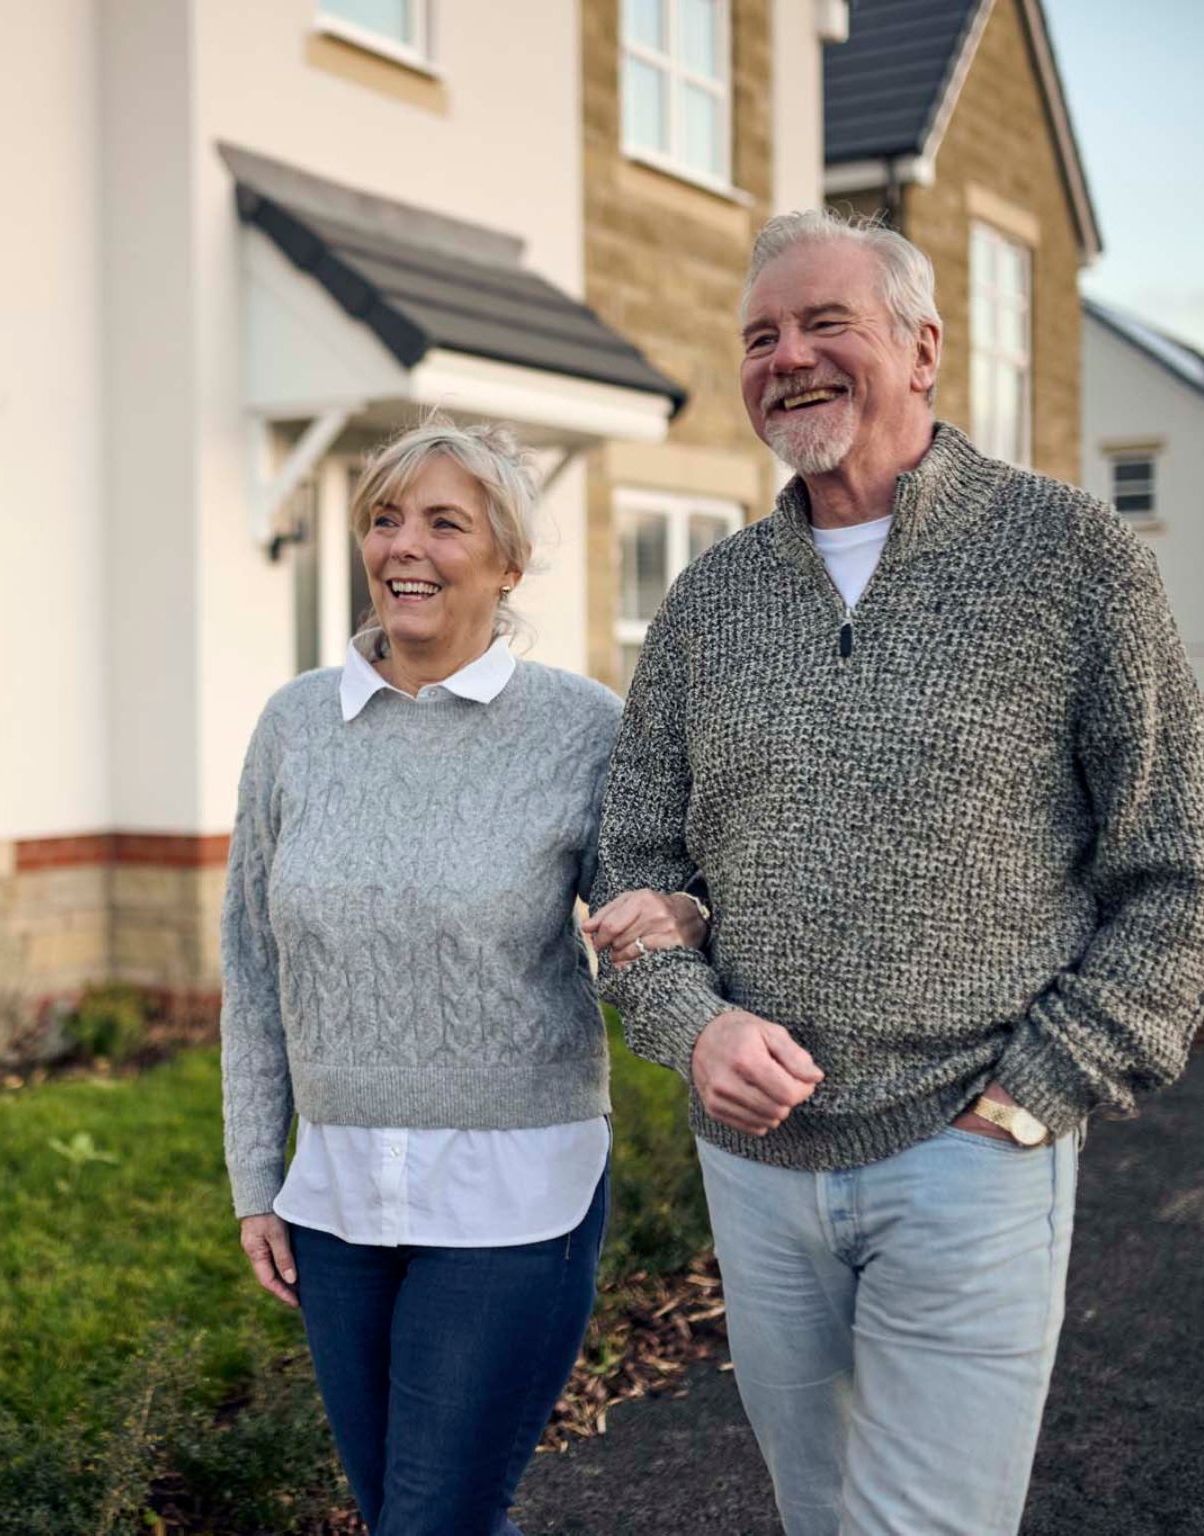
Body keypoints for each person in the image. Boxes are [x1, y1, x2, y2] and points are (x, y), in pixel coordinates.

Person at [588, 208, 1204, 1536]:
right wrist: (691, 1025)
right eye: (761, 336)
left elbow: (1182, 870)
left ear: (923, 347)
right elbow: (631, 861)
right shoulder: (711, 605)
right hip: (756, 1165)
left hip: (972, 1149)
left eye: (827, 323)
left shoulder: (1072, 564)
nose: (789, 358)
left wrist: (1031, 1098)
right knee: (820, 1516)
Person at [219, 417, 704, 1535]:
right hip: (335, 1196)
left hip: (512, 1192)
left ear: (508, 564)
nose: (406, 548)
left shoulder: (582, 728)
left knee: (430, 1516)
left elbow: (656, 904)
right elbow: (251, 964)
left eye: (445, 523)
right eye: (384, 519)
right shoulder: (293, 727)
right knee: (408, 1507)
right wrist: (257, 1173)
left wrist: (680, 914)